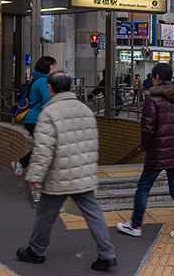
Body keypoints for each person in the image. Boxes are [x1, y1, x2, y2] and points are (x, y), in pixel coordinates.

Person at [16, 72, 117, 272]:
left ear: (50, 89)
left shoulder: (49, 112)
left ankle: (36, 251)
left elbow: (43, 150)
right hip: (83, 173)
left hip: (58, 176)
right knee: (94, 214)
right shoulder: (85, 110)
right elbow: (93, 142)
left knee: (45, 214)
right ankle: (107, 254)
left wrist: (35, 176)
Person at [116, 63, 174, 241]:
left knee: (143, 188)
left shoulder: (152, 99)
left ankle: (135, 225)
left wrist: (145, 146)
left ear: (157, 78)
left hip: (157, 151)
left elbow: (147, 129)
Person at [11, 56, 56, 196]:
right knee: (46, 147)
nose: (55, 68)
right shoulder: (43, 81)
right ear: (48, 66)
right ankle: (31, 173)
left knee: (44, 147)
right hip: (36, 119)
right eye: (53, 66)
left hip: (33, 119)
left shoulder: (37, 79)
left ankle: (22, 165)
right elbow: (48, 101)